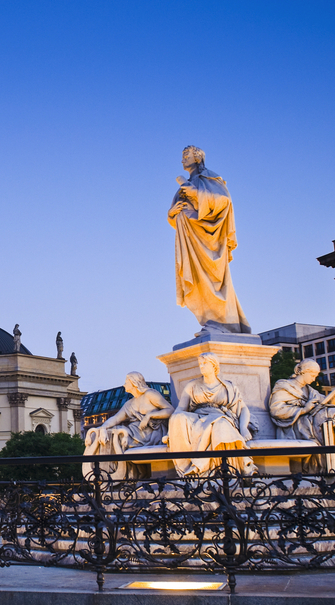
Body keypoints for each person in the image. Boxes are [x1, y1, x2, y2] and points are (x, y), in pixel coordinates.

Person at [167, 146, 250, 334]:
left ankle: (224, 322)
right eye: (182, 157)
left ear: (197, 158)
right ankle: (211, 321)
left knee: (213, 281)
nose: (183, 160)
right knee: (197, 282)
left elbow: (224, 201)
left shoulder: (209, 178)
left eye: (186, 156)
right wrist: (171, 214)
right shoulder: (184, 185)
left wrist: (196, 194)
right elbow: (176, 213)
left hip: (210, 240)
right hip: (190, 239)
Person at [167, 352, 256, 476]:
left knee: (221, 425)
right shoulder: (192, 385)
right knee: (178, 417)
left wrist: (243, 428)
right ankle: (191, 469)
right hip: (198, 417)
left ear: (214, 365)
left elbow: (243, 409)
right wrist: (170, 430)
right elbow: (180, 409)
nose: (201, 366)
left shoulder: (227, 387)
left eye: (205, 363)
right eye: (200, 364)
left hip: (220, 416)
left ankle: (224, 470)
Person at [269, 359, 335, 472]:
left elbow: (328, 402)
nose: (314, 379)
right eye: (312, 375)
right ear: (303, 372)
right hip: (300, 423)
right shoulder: (284, 386)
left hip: (314, 419)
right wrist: (304, 409)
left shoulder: (310, 390)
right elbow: (276, 410)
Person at [85, 372, 173, 454]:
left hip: (152, 433)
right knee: (104, 435)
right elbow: (116, 418)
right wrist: (103, 428)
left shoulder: (150, 394)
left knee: (116, 437)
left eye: (126, 382)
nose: (124, 385)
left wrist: (149, 416)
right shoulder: (129, 403)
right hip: (135, 432)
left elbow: (170, 410)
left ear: (134, 383)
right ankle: (105, 468)